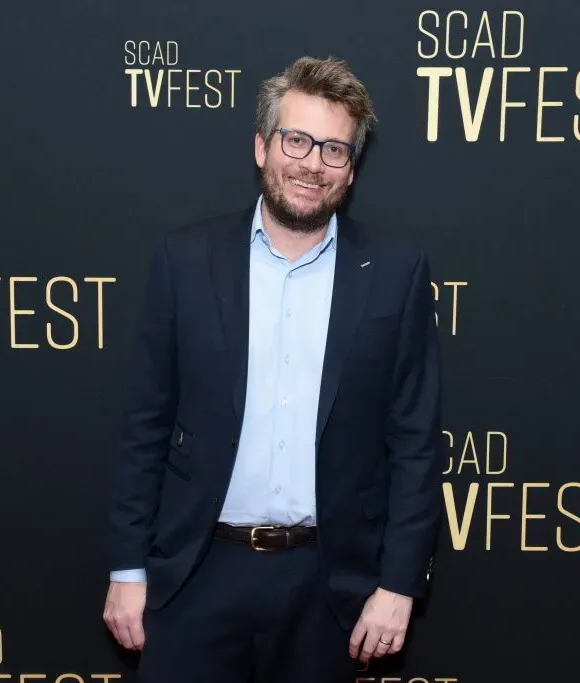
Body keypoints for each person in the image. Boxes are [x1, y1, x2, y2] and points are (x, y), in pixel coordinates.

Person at [103, 55, 444, 683]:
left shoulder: (396, 275)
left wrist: (399, 585)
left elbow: (416, 444)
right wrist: (127, 569)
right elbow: (145, 425)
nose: (312, 163)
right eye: (296, 139)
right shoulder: (185, 260)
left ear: (351, 170)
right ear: (262, 147)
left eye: (334, 149)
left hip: (330, 589)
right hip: (196, 576)